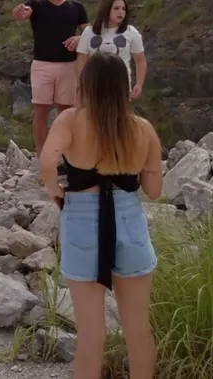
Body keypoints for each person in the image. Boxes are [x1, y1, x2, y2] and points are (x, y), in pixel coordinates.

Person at [38, 53, 163, 379]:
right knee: (138, 330)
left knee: (91, 336)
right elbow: (154, 190)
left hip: (81, 220)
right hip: (128, 219)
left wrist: (55, 191)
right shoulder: (143, 129)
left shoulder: (70, 121)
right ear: (123, 87)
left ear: (87, 85)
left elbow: (47, 163)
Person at [12, 0, 89, 152]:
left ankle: (67, 153)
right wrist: (20, 13)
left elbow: (89, 32)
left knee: (67, 110)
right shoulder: (36, 5)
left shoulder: (77, 8)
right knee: (41, 110)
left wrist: (80, 38)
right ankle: (41, 153)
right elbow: (22, 13)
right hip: (42, 65)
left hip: (69, 65)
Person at [76, 0, 147, 99]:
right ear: (106, 9)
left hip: (120, 84)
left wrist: (139, 84)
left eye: (123, 9)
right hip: (94, 83)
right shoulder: (89, 32)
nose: (121, 12)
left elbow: (140, 60)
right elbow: (81, 59)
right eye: (116, 8)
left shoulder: (130, 32)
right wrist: (80, 84)